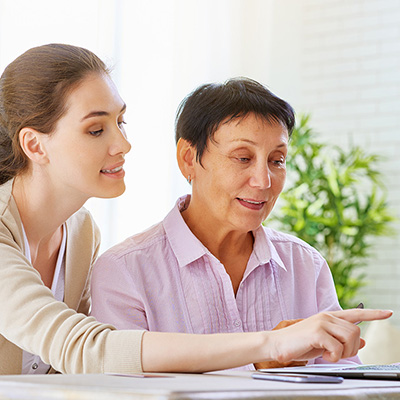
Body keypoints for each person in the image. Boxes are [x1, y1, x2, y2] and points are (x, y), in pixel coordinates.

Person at [0, 45, 391, 376]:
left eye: (121, 121)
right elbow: (90, 352)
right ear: (35, 146)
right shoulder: (121, 265)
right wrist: (271, 343)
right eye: (96, 129)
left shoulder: (82, 232)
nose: (124, 143)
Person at [90, 78, 379, 370]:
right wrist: (264, 361)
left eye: (277, 160)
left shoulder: (306, 264)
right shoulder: (124, 271)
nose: (263, 181)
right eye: (243, 157)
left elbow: (344, 379)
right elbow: (123, 388)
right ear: (188, 159)